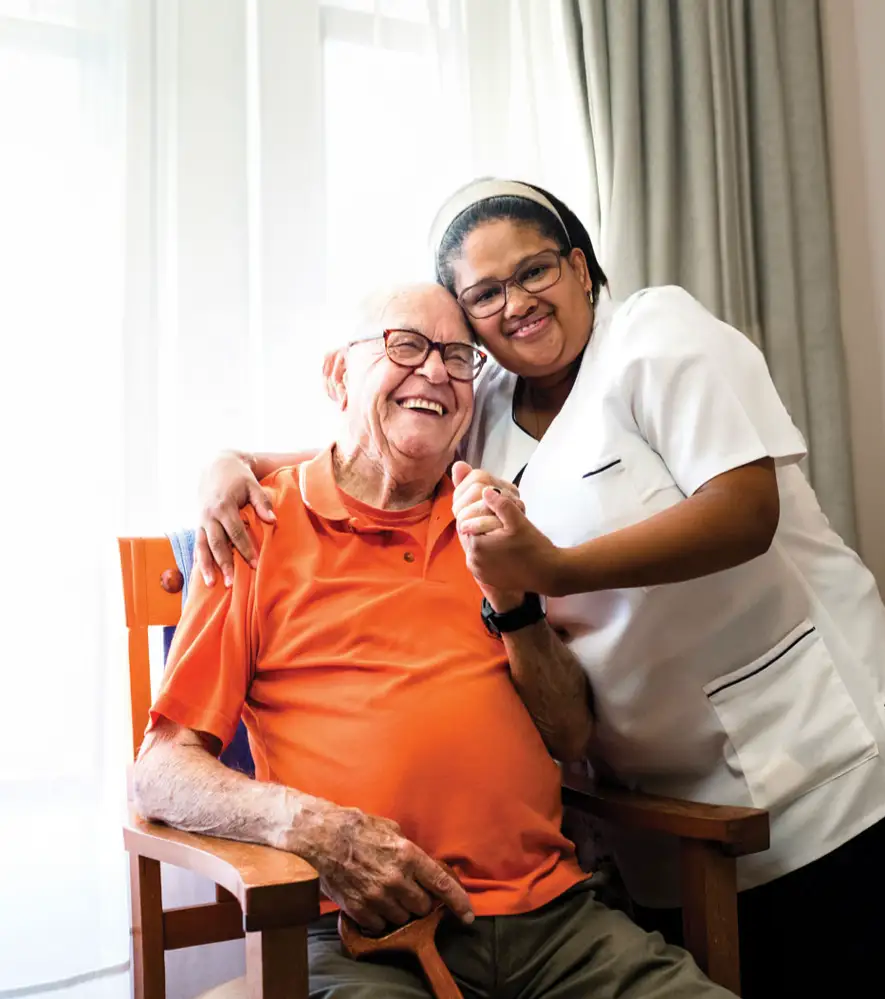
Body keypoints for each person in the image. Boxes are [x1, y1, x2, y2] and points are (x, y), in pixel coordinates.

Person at [197, 180, 885, 998]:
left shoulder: (656, 333)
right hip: (649, 793)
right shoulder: (480, 399)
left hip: (811, 747)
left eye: (536, 270)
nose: (516, 303)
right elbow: (373, 429)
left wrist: (549, 573)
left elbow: (745, 511)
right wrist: (232, 462)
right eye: (485, 293)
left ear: (582, 268)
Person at [134, 282, 735, 999]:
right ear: (337, 375)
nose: (435, 371)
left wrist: (514, 598)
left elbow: (571, 733)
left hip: (558, 922)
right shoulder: (254, 527)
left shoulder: (495, 523)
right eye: (405, 345)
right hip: (363, 934)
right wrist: (313, 828)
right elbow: (161, 770)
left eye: (457, 356)